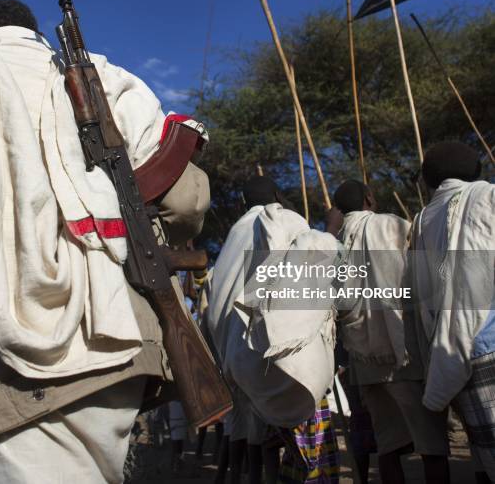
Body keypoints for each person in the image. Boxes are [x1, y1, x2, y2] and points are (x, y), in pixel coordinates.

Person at [0, 0, 210, 483]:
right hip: (123, 352)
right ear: (33, 31)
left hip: (6, 364)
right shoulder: (107, 77)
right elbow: (187, 199)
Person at [206, 176, 343, 483]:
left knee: (267, 441)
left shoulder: (232, 236)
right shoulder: (285, 219)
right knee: (311, 450)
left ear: (243, 204)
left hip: (240, 364)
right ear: (278, 196)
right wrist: (331, 232)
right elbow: (314, 261)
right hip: (282, 359)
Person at [333, 179, 450, 484]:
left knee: (388, 446)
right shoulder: (392, 225)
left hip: (363, 360)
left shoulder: (334, 242)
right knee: (432, 446)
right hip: (404, 353)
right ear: (369, 198)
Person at [410, 141, 495, 483]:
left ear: (429, 179)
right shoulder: (486, 196)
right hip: (487, 338)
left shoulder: (421, 219)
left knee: (484, 454)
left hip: (454, 352)